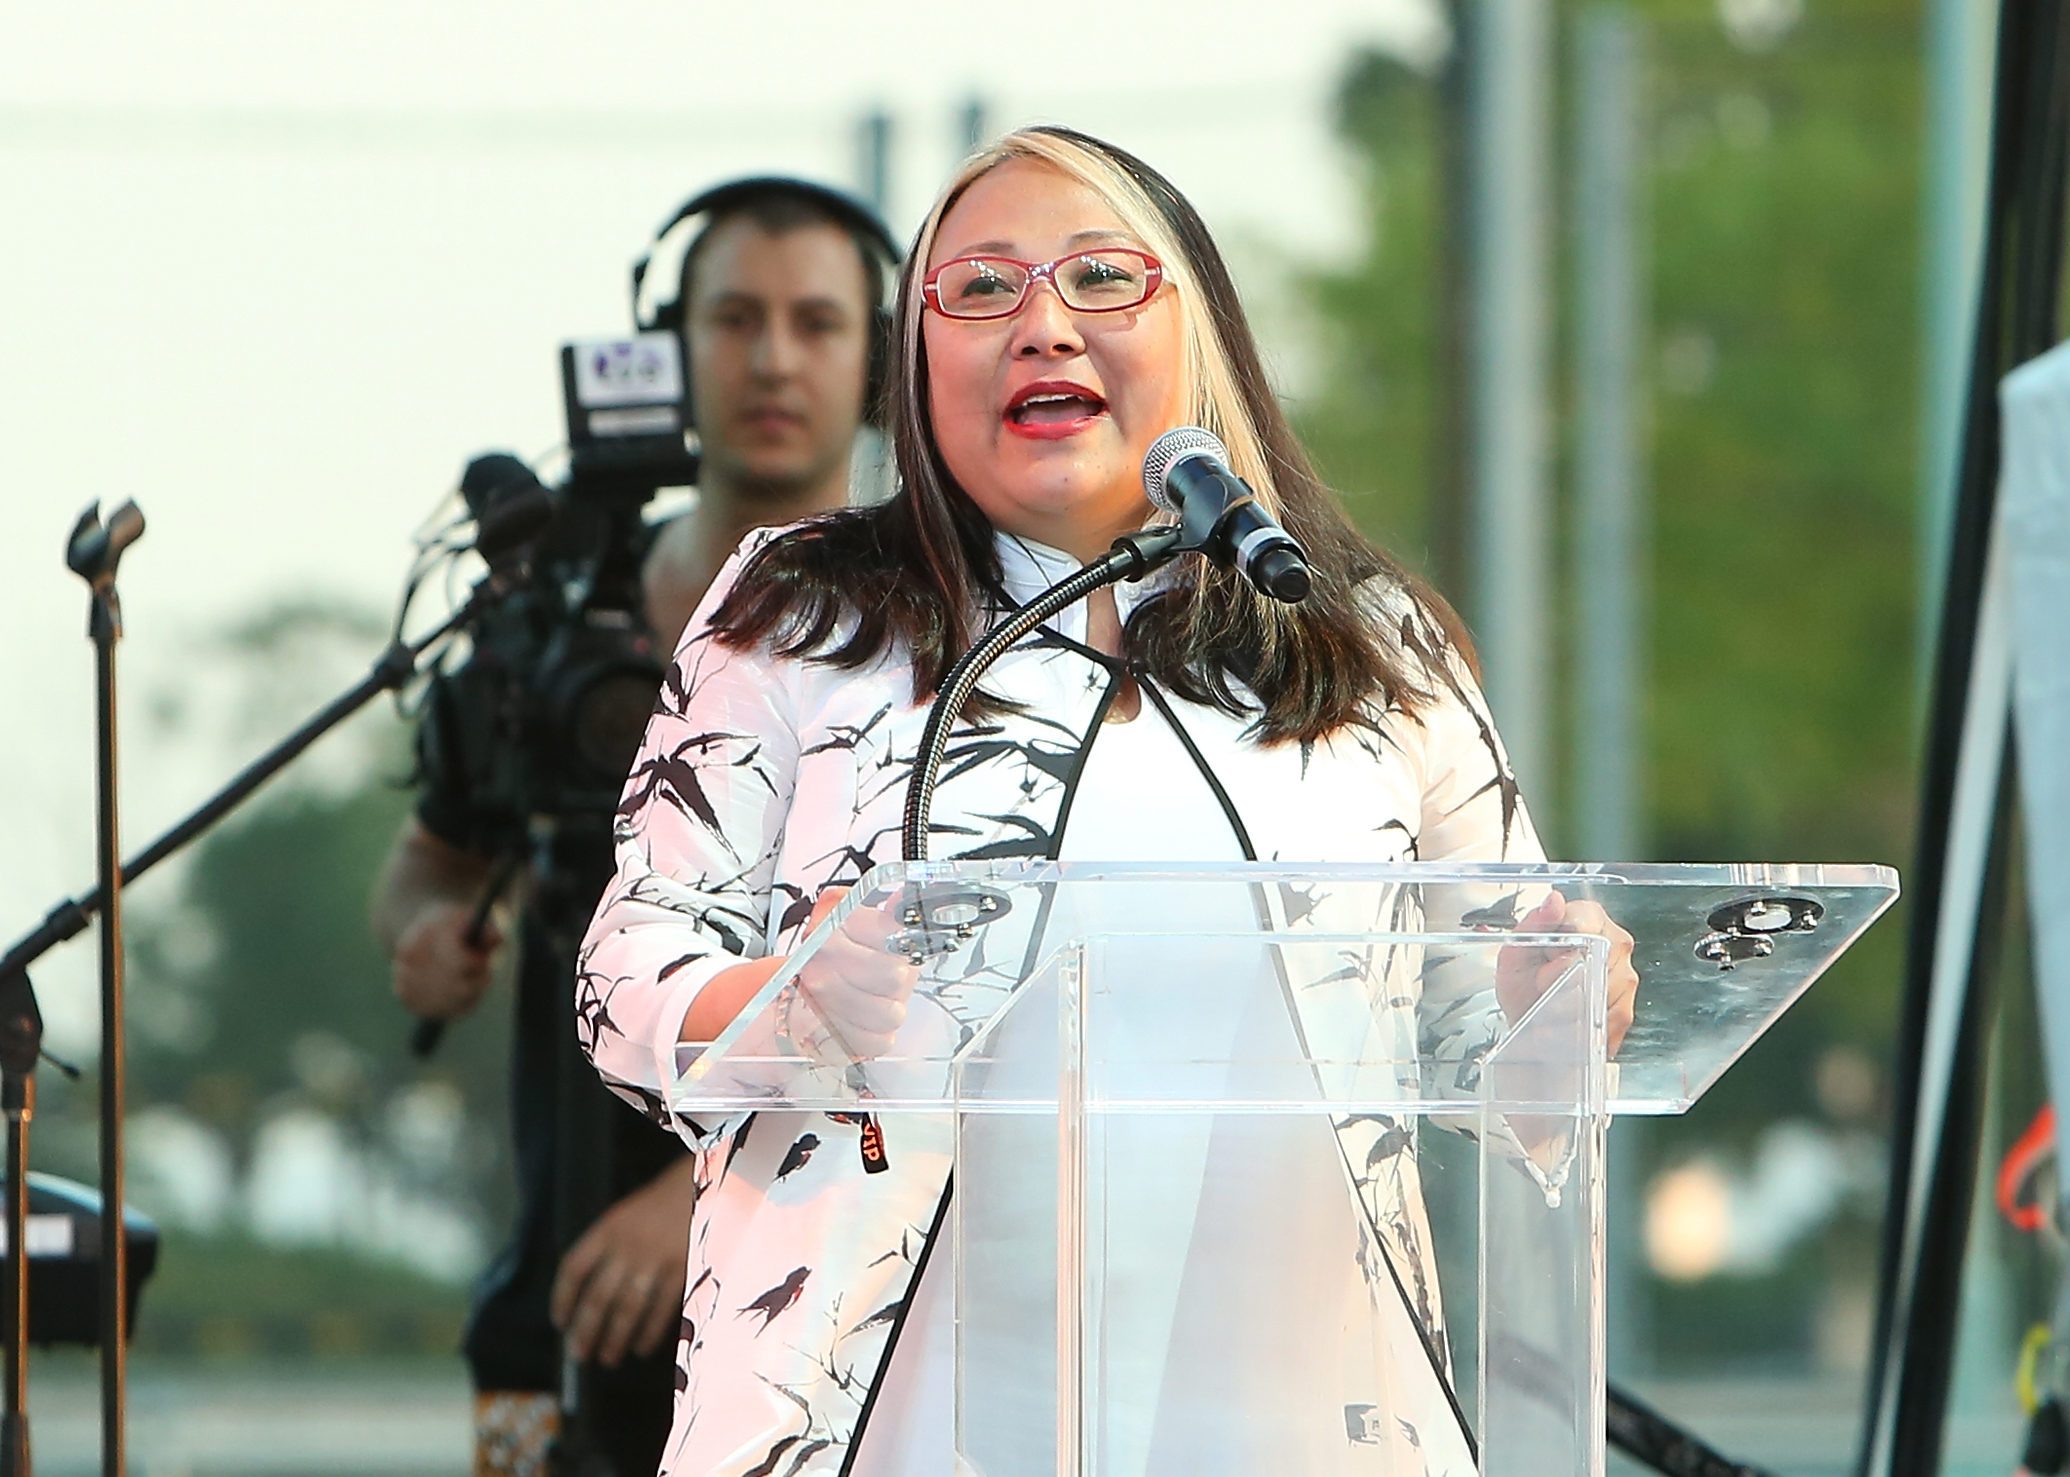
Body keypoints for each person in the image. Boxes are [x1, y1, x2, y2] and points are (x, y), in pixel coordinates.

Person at [574, 126, 1640, 1476]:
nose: (1042, 327)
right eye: (980, 291)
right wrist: (787, 1006)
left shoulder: (1376, 644)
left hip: (1297, 1421)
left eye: (1097, 278)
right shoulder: (800, 610)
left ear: (1201, 330)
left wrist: (1564, 996)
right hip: (892, 1421)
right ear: (917, 363)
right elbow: (627, 966)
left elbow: (1491, 1029)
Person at [371, 176, 899, 1477]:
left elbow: (940, 992)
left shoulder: (927, 640)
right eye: (734, 318)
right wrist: (426, 934)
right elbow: (430, 863)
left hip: (821, 1308)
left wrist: (708, 1194)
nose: (772, 356)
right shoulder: (555, 624)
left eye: (817, 322)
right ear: (670, 345)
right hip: (551, 1299)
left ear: (880, 363)